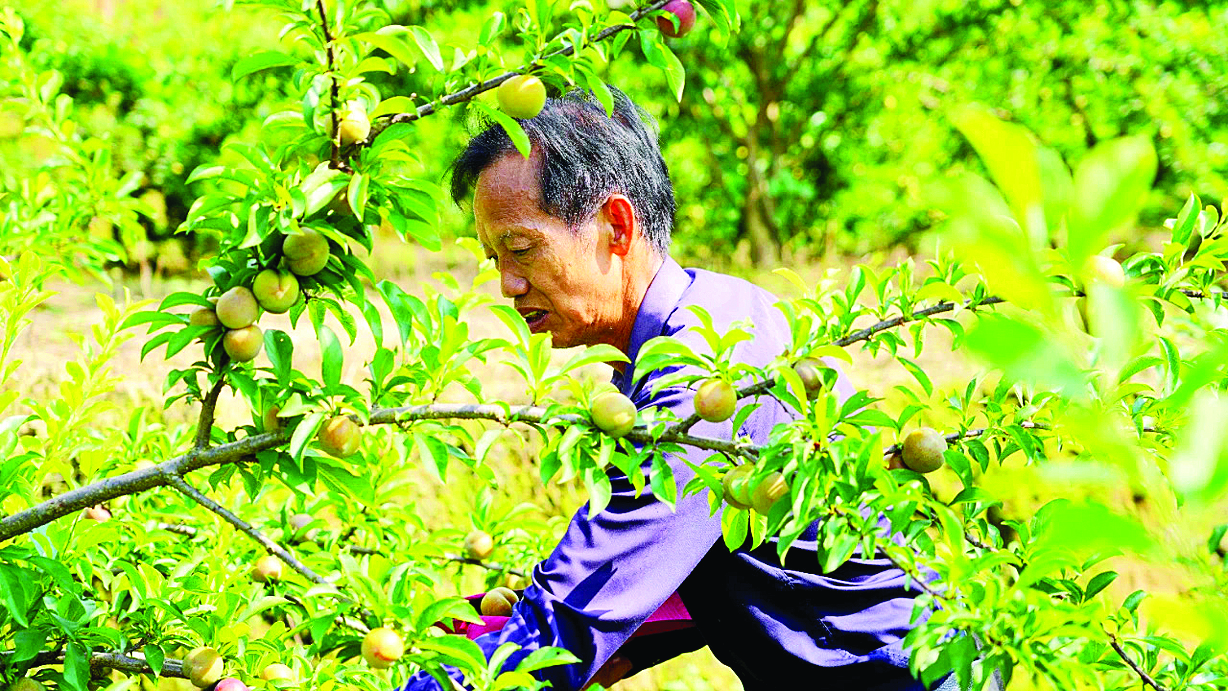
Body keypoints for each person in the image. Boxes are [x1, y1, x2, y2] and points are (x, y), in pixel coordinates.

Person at [401, 87, 942, 691]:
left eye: (521, 249)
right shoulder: (691, 325)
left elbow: (583, 601)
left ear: (616, 225)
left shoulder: (708, 371)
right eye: (494, 258)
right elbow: (704, 551)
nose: (507, 284)